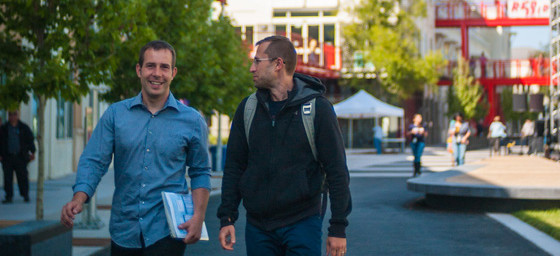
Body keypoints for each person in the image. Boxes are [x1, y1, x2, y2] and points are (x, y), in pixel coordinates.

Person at [60, 40, 211, 255]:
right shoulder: (116, 114)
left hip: (167, 232)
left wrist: (198, 216)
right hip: (125, 231)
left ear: (173, 73)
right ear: (139, 70)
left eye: (164, 67)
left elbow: (200, 171)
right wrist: (79, 198)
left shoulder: (193, 121)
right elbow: (94, 159)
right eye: (150, 65)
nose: (156, 73)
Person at [217, 35, 351, 256]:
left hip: (302, 222)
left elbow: (337, 172)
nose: (251, 68)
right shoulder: (247, 109)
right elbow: (234, 167)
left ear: (278, 64)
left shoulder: (318, 109)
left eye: (256, 61)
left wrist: (338, 227)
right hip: (258, 227)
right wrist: (227, 217)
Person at [0, 110, 36, 203]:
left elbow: (30, 140)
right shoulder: (4, 128)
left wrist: (32, 152)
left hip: (21, 157)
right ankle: (9, 196)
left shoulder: (23, 127)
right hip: (7, 157)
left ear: (18, 115)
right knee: (7, 178)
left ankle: (25, 195)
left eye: (14, 114)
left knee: (23, 176)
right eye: (10, 115)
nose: (12, 117)